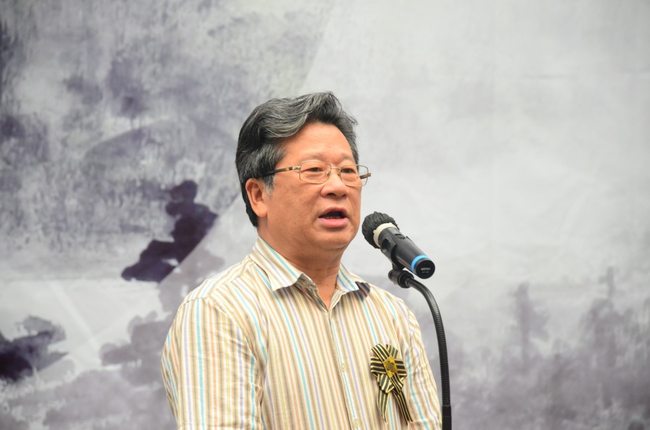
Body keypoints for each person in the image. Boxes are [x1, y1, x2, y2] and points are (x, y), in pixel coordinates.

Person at [161, 92, 442, 429]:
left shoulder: (391, 315)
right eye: (314, 170)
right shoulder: (219, 311)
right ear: (258, 195)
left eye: (348, 171)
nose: (338, 186)